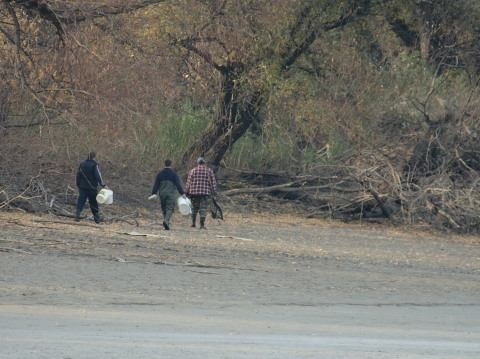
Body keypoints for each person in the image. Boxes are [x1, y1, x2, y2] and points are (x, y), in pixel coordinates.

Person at [150, 159, 185, 230]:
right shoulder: (174, 174)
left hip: (162, 193)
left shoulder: (160, 174)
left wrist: (154, 193)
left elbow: (156, 185)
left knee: (164, 208)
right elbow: (178, 184)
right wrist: (182, 193)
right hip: (171, 194)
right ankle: (166, 221)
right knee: (169, 208)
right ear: (171, 164)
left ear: (164, 164)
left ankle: (166, 222)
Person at [185, 157, 217, 229]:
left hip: (194, 193)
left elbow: (188, 182)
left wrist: (186, 191)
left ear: (198, 163)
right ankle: (202, 225)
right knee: (203, 208)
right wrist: (214, 191)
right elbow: (214, 182)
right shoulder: (209, 171)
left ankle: (193, 223)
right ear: (204, 163)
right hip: (205, 193)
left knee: (194, 208)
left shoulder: (193, 171)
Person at [75, 151, 106, 223]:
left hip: (82, 187)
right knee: (93, 203)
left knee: (81, 201)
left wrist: (78, 184)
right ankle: (97, 219)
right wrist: (102, 184)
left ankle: (77, 216)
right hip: (92, 188)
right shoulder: (94, 165)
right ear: (94, 157)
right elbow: (98, 176)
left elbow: (78, 175)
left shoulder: (82, 164)